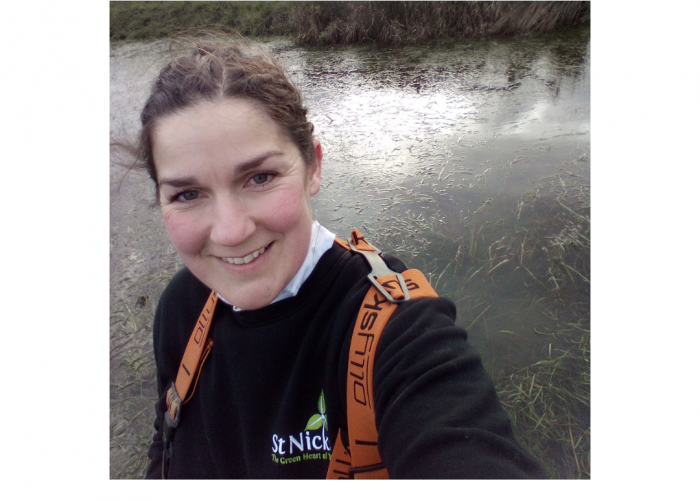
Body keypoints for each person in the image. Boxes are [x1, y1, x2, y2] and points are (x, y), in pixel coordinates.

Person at [134, 38, 546, 479]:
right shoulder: (181, 307)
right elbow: (167, 443)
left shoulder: (397, 331)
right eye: (188, 194)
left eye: (260, 177)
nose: (231, 231)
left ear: (313, 166)